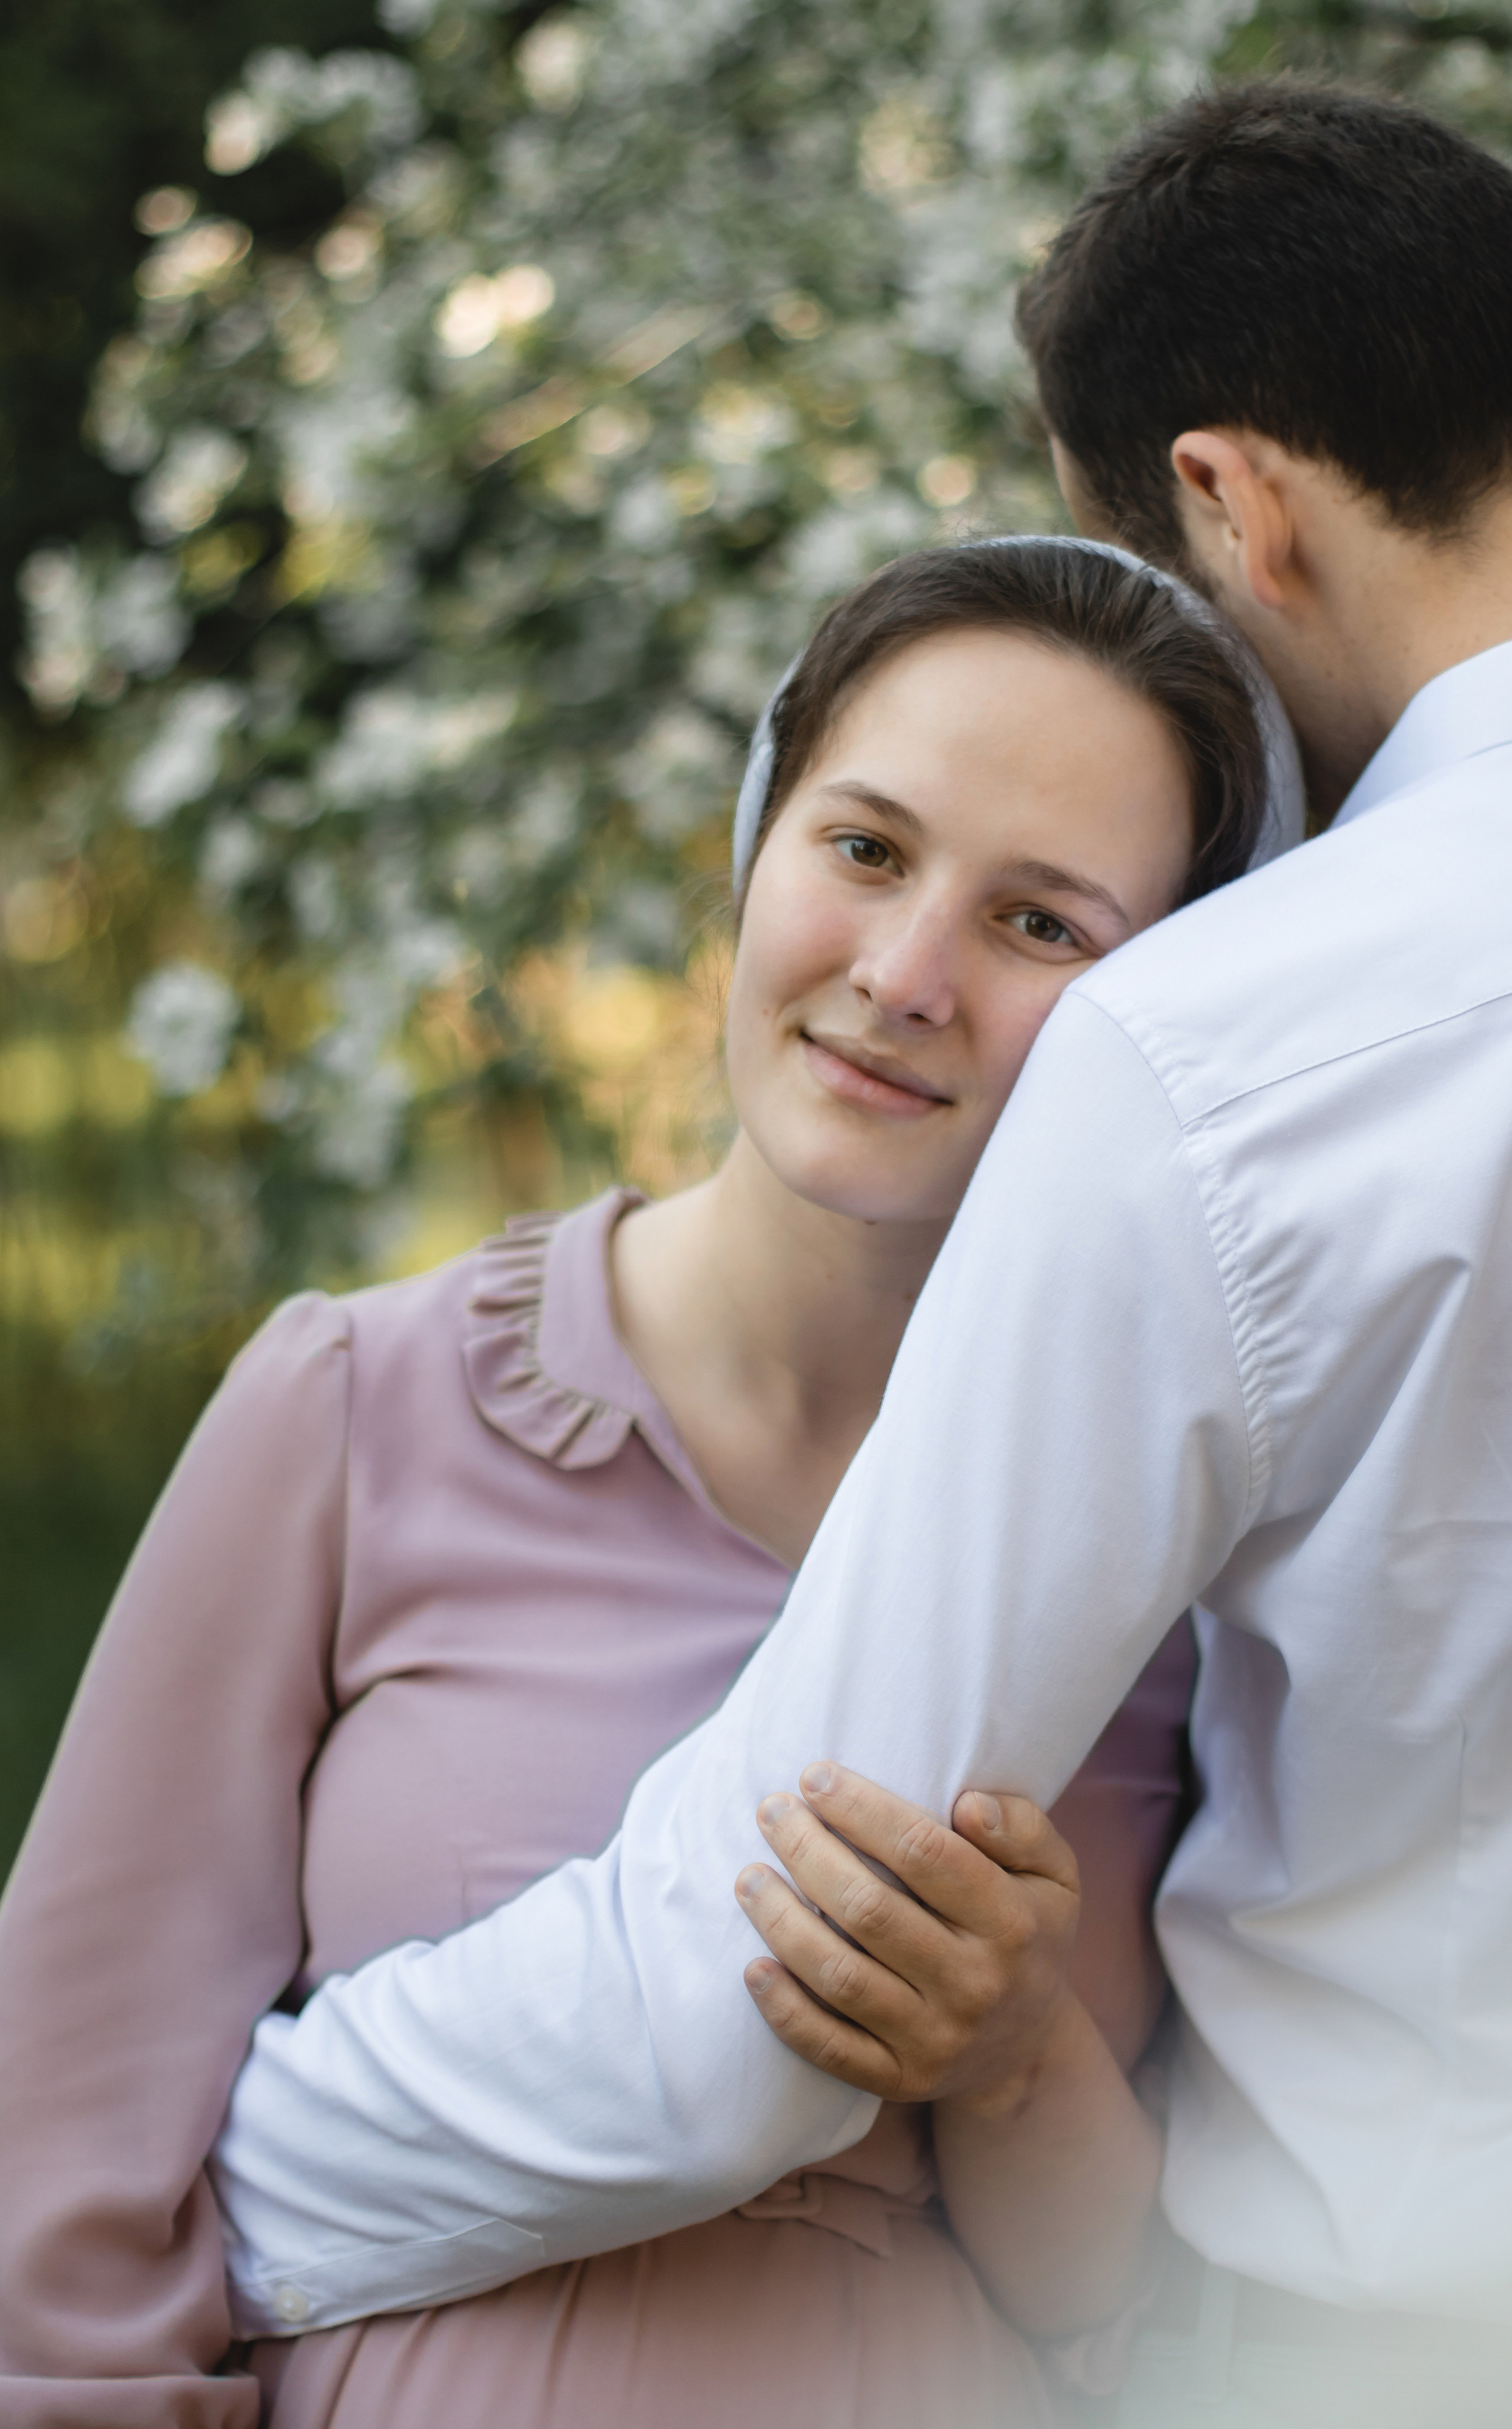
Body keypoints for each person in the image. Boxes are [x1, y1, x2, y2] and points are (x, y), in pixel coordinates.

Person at [171, 80, 1512, 2429]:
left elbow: (726, 2003)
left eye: (1041, 913)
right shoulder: (359, 1402)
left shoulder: (1245, 1045)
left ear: (1229, 503)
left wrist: (173, 2194)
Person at [0, 538, 1301, 2428]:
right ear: (760, 846)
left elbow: (1141, 2323)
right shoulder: (359, 1408)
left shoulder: (1177, 1565)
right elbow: (62, 2190)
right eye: (864, 849)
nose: (903, 976)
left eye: (1043, 926)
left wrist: (1012, 2057)